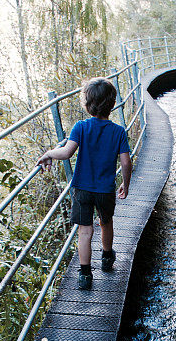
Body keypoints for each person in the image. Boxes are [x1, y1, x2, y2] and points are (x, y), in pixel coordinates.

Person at [37, 77, 132, 290]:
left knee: (85, 231)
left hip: (82, 189)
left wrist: (49, 153)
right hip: (105, 189)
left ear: (88, 105)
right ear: (112, 104)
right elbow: (126, 162)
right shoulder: (118, 132)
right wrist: (126, 184)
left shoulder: (81, 127)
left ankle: (85, 275)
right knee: (106, 222)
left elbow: (67, 152)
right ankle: (107, 258)